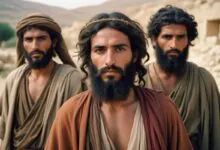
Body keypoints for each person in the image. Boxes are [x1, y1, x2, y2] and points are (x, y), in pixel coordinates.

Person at [45, 12, 192, 150]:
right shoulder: (71, 113)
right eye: (100, 50)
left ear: (134, 55)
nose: (109, 61)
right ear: (89, 57)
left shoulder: (163, 109)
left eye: (119, 49)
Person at [0, 13, 86, 149]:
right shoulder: (13, 79)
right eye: (28, 39)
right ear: (22, 44)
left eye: (41, 38)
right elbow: (5, 127)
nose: (35, 46)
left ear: (54, 42)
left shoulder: (71, 79)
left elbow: (79, 132)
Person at [144, 5, 220, 150]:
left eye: (181, 37)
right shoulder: (138, 80)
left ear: (188, 40)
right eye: (167, 37)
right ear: (154, 40)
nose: (174, 44)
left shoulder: (203, 81)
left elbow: (215, 135)